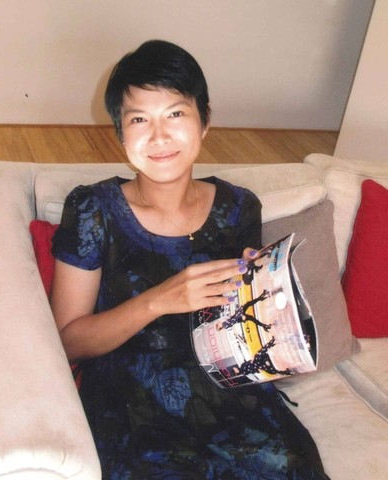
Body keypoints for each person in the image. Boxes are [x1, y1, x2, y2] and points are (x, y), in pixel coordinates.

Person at [51, 39, 329, 479]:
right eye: (139, 119)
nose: (159, 136)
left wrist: (263, 291)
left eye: (175, 114)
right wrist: (158, 300)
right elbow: (68, 341)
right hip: (132, 406)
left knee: (295, 467)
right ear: (120, 134)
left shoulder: (239, 208)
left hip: (231, 398)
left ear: (205, 121)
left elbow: (245, 333)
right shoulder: (93, 210)